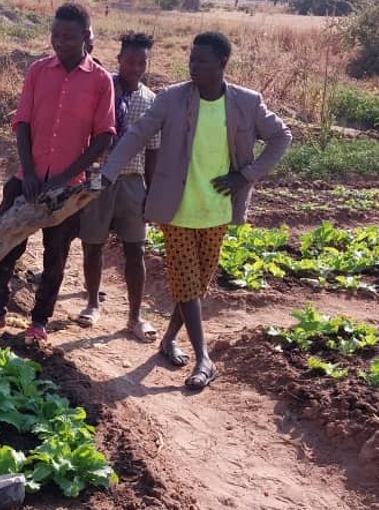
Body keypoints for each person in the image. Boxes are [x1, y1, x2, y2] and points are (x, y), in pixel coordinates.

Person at [101, 32, 291, 389]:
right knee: (188, 281)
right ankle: (204, 358)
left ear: (222, 64)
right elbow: (137, 135)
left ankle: (169, 339)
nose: (194, 65)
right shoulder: (171, 99)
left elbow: (282, 137)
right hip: (176, 209)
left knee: (196, 285)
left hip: (218, 209)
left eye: (202, 60)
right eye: (191, 58)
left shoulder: (246, 103)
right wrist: (108, 173)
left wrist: (245, 176)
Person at [0, 3, 115, 342]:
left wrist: (64, 178)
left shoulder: (101, 81)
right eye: (56, 35)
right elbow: (23, 123)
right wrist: (29, 173)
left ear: (86, 37)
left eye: (69, 37)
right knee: (3, 245)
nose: (60, 42)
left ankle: (39, 322)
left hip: (68, 189)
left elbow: (103, 136)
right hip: (26, 180)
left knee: (54, 258)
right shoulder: (38, 71)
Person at [76, 32, 159, 342]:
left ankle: (135, 316)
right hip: (98, 178)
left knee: (135, 250)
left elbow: (153, 150)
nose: (135, 67)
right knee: (92, 245)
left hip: (133, 182)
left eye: (142, 62)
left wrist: (150, 190)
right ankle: (92, 302)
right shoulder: (103, 90)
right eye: (130, 60)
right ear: (119, 60)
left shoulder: (151, 101)